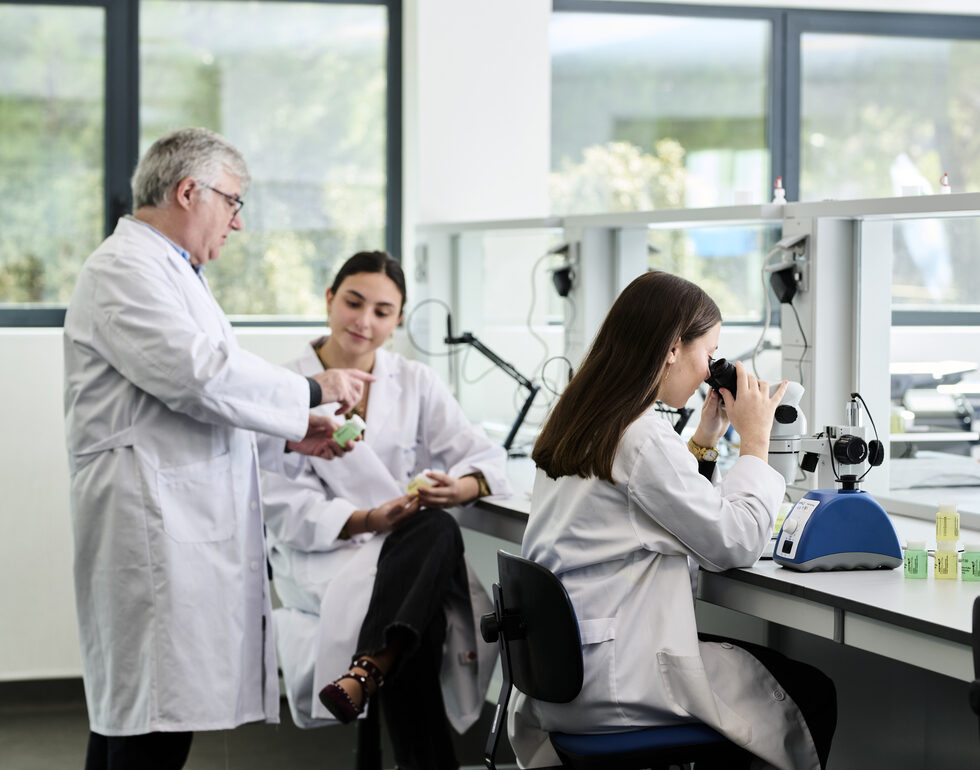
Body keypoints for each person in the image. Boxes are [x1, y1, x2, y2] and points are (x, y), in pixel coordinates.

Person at [63, 127, 372, 770]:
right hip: (149, 525)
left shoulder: (173, 272)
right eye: (233, 202)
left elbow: (196, 393)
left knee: (142, 715)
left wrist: (289, 426)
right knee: (151, 721)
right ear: (188, 191)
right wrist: (312, 385)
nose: (237, 222)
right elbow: (195, 374)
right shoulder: (126, 269)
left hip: (174, 516)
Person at [509, 271, 837, 770]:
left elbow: (661, 510)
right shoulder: (641, 437)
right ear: (670, 349)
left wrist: (706, 438)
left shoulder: (587, 418)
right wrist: (755, 442)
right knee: (814, 693)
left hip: (564, 669)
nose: (710, 372)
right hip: (615, 678)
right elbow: (735, 541)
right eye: (709, 353)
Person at [261, 250, 510, 770]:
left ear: (397, 321)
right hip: (327, 553)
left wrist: (458, 488)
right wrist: (371, 520)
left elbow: (482, 455)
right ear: (330, 299)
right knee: (432, 551)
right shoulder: (283, 388)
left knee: (434, 527)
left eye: (382, 311)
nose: (364, 321)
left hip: (406, 551)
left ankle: (370, 668)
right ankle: (400, 703)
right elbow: (276, 499)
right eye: (353, 303)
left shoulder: (415, 382)